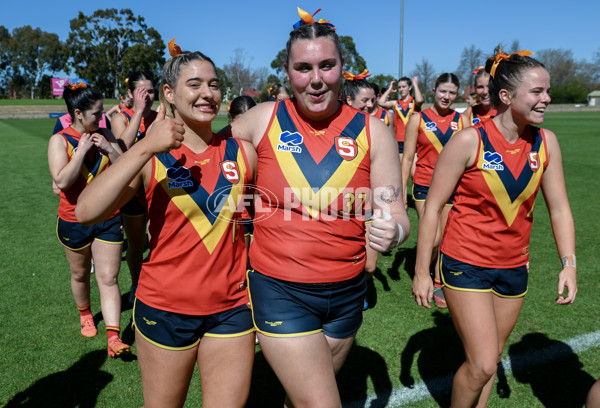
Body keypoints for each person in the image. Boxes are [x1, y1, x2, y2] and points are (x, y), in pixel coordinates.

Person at [227, 8, 410, 407]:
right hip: (279, 290)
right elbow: (206, 162)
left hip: (347, 295)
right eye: (303, 67)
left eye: (326, 66)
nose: (315, 79)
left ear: (343, 68)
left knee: (303, 398)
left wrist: (393, 231)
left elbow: (395, 212)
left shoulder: (373, 131)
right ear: (287, 71)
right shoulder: (260, 121)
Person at [75, 41, 257, 408]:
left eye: (214, 84)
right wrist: (143, 147)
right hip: (165, 309)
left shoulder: (243, 152)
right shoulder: (150, 156)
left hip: (233, 309)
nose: (208, 93)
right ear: (169, 93)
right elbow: (86, 211)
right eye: (195, 84)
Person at [411, 47, 577, 408]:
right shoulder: (470, 139)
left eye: (547, 90)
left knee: (491, 359)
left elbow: (560, 208)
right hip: (465, 263)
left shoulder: (546, 143)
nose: (546, 98)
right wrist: (423, 271)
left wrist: (569, 264)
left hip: (515, 267)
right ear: (506, 96)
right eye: (537, 92)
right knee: (483, 361)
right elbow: (434, 207)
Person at [47, 83, 129, 358]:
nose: (101, 118)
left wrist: (109, 148)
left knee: (108, 277)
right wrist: (80, 151)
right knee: (81, 274)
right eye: (96, 114)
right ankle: (85, 314)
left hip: (108, 217)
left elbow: (127, 170)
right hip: (74, 220)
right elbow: (61, 180)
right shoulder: (59, 141)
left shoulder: (105, 134)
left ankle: (114, 336)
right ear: (78, 114)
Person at [402, 73, 464, 308]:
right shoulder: (418, 119)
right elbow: (407, 158)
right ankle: (423, 274)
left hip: (453, 187)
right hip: (424, 186)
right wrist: (400, 192)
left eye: (451, 93)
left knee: (446, 236)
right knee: (435, 237)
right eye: (442, 91)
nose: (446, 96)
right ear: (434, 90)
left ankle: (438, 281)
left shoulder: (461, 121)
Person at [110, 71, 158, 303]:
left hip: (157, 188)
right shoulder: (121, 117)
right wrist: (138, 112)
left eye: (150, 91)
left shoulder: (161, 116)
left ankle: (158, 285)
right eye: (142, 92)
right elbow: (122, 146)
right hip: (132, 193)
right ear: (130, 94)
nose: (148, 96)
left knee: (158, 241)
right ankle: (136, 284)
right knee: (136, 245)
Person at [341, 70, 379, 309]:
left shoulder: (376, 128)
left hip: (370, 203)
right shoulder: (337, 128)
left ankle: (362, 286)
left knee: (370, 265)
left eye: (372, 100)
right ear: (349, 101)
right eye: (364, 100)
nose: (370, 105)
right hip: (341, 205)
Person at [227, 95, 257, 260]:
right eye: (239, 123)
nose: (244, 130)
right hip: (238, 217)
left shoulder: (263, 142)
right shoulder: (222, 144)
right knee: (242, 264)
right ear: (230, 118)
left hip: (262, 216)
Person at [378, 76, 424, 165]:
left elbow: (420, 100)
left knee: (413, 172)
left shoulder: (414, 102)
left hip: (414, 140)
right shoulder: (396, 103)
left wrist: (415, 84)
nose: (401, 89)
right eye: (399, 87)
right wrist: (389, 89)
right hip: (399, 141)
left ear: (409, 88)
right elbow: (381, 102)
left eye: (404, 87)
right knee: (400, 172)